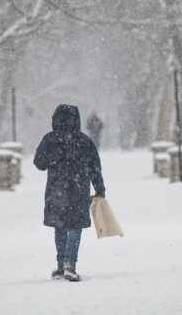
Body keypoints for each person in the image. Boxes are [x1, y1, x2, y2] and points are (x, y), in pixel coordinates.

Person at [34, 104, 106, 282]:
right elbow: (94, 167)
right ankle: (70, 265)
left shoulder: (50, 140)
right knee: (74, 227)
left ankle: (60, 266)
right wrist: (99, 188)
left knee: (60, 226)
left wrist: (54, 158)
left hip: (56, 190)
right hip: (78, 189)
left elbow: (39, 163)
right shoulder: (84, 141)